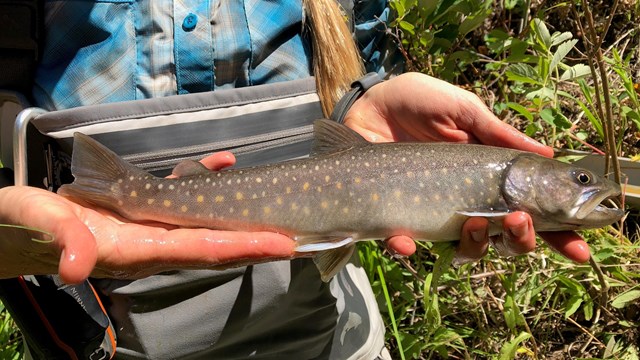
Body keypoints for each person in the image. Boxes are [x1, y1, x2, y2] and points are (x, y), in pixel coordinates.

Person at [0, 1, 589, 359]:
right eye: (580, 178)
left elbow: (358, 66)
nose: (584, 187)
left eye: (578, 180)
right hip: (102, 331)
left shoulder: (497, 179)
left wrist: (368, 96)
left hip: (328, 328)